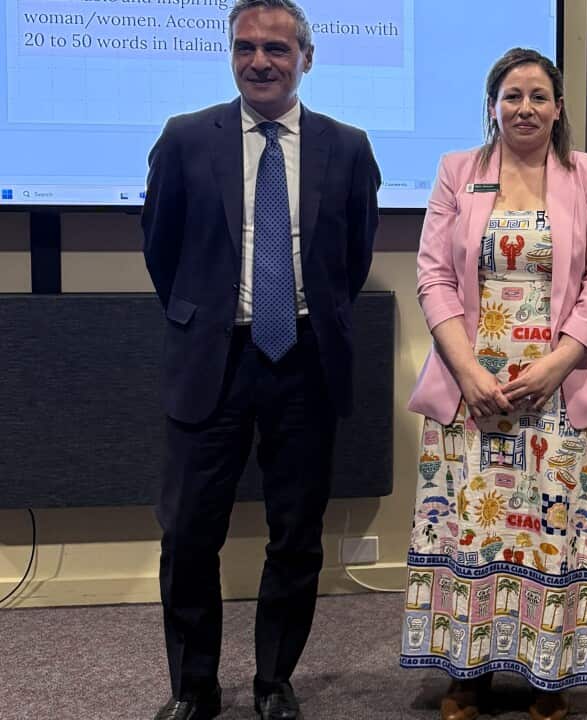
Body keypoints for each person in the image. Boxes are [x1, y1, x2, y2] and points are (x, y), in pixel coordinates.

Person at [140, 0, 380, 718]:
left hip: (304, 358)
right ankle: (194, 688)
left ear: (305, 57)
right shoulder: (186, 138)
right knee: (188, 533)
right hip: (212, 360)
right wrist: (207, 317)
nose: (259, 62)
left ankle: (275, 681)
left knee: (296, 534)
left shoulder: (348, 146)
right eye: (245, 47)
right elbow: (161, 247)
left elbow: (352, 257)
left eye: (276, 48)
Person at [403, 47, 587, 720]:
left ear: (558, 108)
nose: (524, 108)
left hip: (561, 388)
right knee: (472, 528)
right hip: (471, 390)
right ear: (492, 105)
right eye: (512, 95)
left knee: (552, 530)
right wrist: (468, 371)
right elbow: (433, 276)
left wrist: (559, 363)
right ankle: (467, 673)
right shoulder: (457, 171)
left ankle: (547, 673)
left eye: (538, 96)